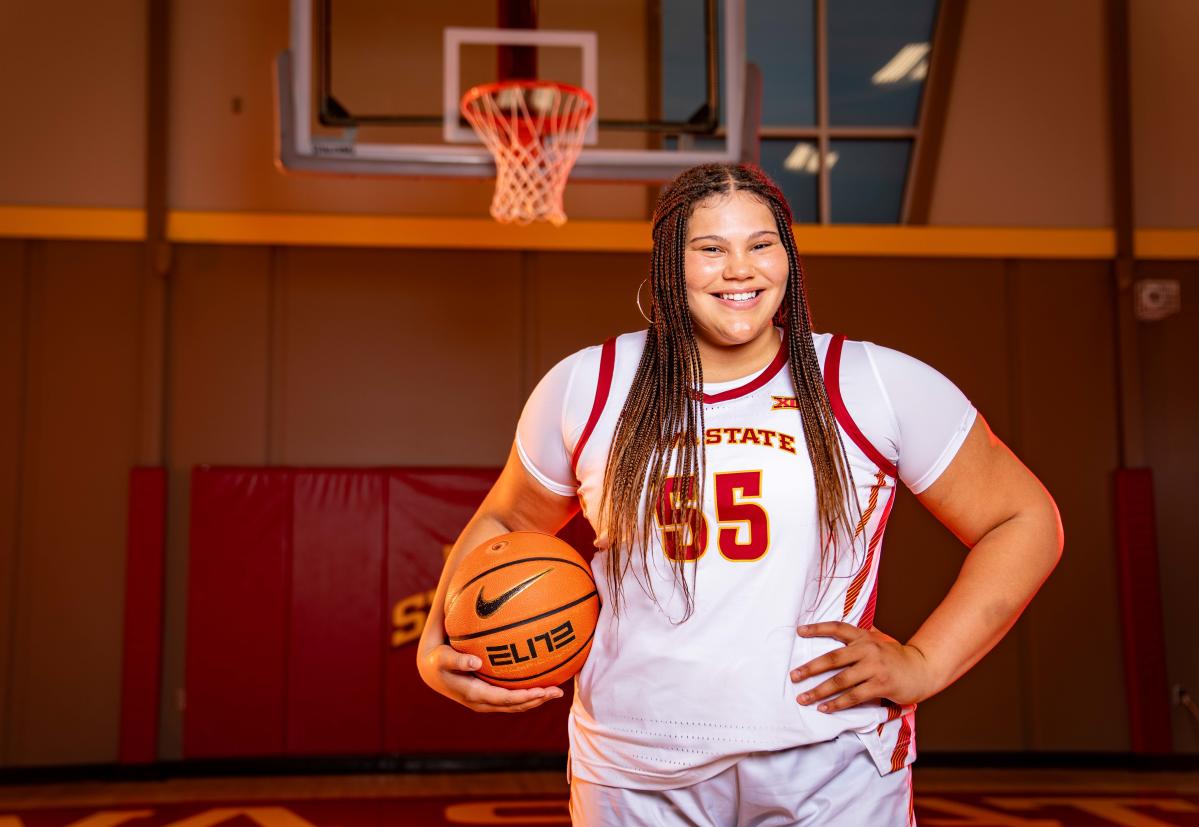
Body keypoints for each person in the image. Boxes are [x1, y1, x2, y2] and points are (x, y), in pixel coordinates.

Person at [417, 163, 1063, 825]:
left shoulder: (873, 381)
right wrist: (434, 638)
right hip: (632, 766)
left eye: (760, 244)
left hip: (827, 762)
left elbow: (1022, 518)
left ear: (787, 255)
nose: (740, 270)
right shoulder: (588, 383)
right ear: (670, 263)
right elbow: (508, 515)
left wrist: (924, 662)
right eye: (711, 248)